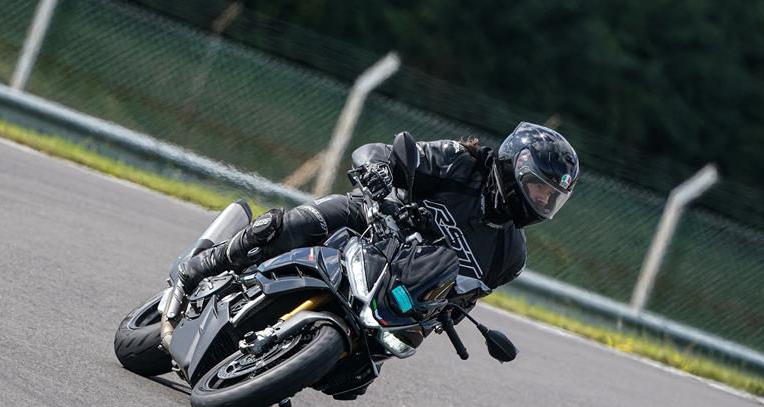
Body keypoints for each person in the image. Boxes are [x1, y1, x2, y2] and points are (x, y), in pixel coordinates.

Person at [176, 122, 579, 309]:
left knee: (359, 376)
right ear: (514, 166)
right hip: (364, 223)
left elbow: (463, 299)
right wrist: (380, 172)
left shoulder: (509, 256)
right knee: (284, 227)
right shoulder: (462, 162)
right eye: (539, 186)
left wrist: (446, 312)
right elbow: (387, 153)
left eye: (551, 197)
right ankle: (206, 263)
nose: (541, 200)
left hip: (392, 290)